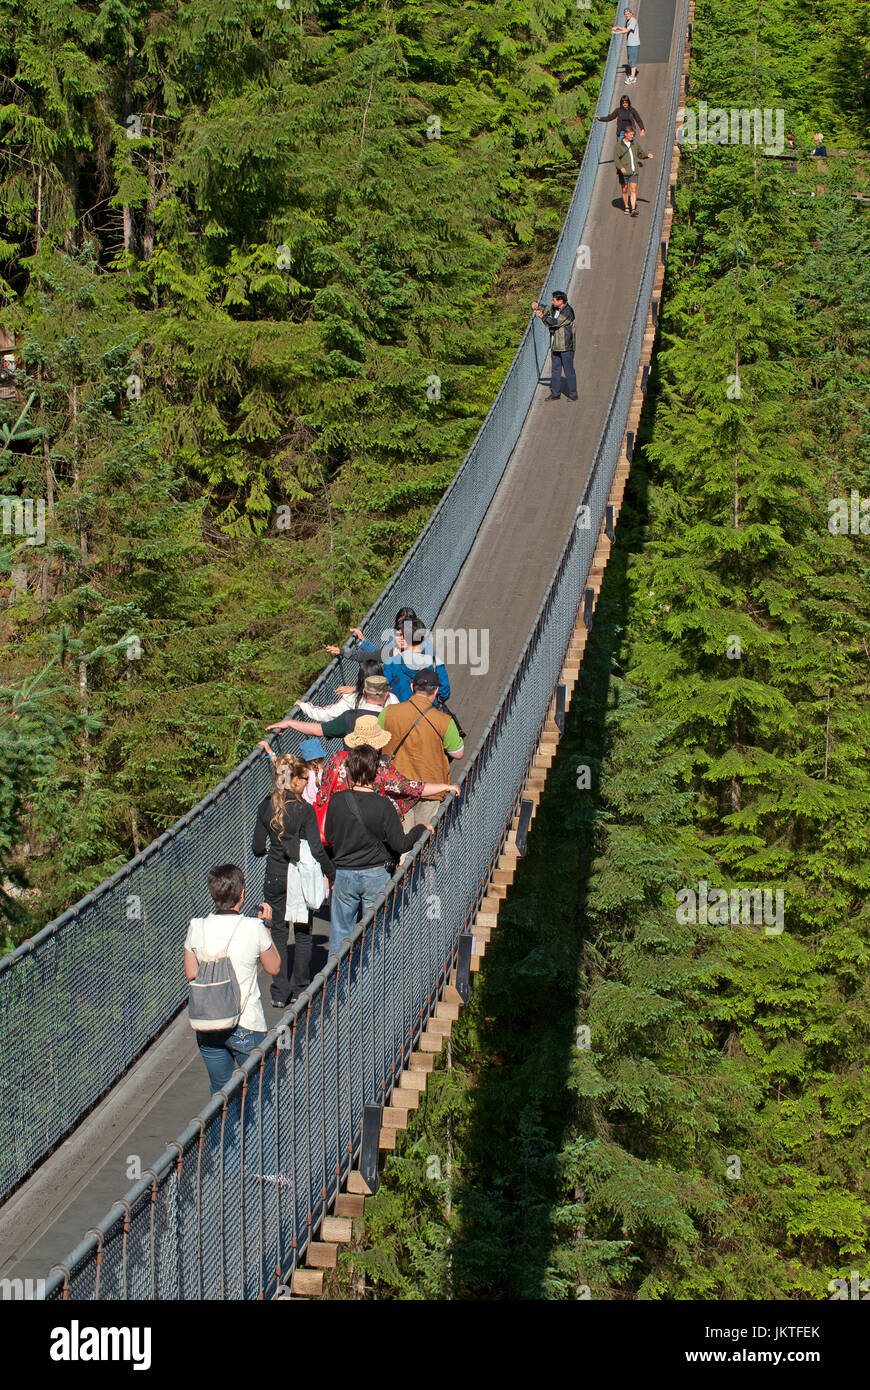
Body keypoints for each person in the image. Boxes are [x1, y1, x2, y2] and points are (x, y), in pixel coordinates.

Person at [324, 744, 432, 955]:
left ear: (351, 769)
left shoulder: (337, 801)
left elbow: (329, 837)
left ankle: (334, 984)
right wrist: (420, 828)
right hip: (375, 874)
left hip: (344, 873)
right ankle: (369, 981)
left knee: (340, 932)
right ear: (375, 771)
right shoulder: (383, 805)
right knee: (376, 934)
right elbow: (401, 844)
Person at [184, 863, 281, 1094]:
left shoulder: (197, 927)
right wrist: (267, 926)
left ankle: (224, 1131)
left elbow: (191, 973)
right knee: (258, 1094)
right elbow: (274, 967)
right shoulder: (253, 927)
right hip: (245, 1023)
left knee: (221, 1095)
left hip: (209, 1024)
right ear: (242, 893)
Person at [251, 753, 335, 1007]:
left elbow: (256, 847)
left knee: (277, 933)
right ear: (295, 780)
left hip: (275, 875)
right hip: (298, 877)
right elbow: (317, 850)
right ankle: (300, 988)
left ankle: (279, 992)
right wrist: (331, 873)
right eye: (305, 778)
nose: (307, 783)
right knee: (303, 931)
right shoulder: (304, 809)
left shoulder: (266, 806)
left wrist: (273, 850)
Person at [314, 713, 459, 835]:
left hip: (338, 824)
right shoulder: (379, 768)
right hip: (368, 829)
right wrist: (445, 787)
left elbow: (323, 792)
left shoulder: (336, 759)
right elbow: (411, 787)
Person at [379, 668, 464, 830]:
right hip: (431, 788)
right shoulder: (444, 721)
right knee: (425, 839)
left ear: (412, 687)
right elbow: (458, 753)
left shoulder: (388, 712)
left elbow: (376, 741)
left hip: (397, 787)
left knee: (402, 841)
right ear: (436, 690)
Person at [268, 673, 396, 747]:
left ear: (363, 692)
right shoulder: (395, 716)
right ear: (386, 695)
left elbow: (318, 730)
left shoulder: (349, 717)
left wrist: (290, 723)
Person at [531, 291, 577, 402]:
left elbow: (555, 322)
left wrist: (542, 317)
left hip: (566, 346)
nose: (552, 301)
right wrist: (538, 306)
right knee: (555, 370)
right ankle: (555, 393)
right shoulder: (556, 308)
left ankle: (573, 394)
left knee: (568, 370)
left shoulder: (568, 311)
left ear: (561, 301)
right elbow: (547, 308)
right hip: (555, 345)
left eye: (554, 300)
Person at [614, 125, 653, 217]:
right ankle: (627, 206)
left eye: (633, 135)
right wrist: (621, 167)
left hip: (634, 171)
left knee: (633, 189)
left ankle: (633, 209)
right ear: (626, 134)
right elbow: (616, 159)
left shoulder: (635, 143)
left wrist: (647, 155)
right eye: (631, 135)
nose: (632, 136)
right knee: (624, 189)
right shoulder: (618, 146)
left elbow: (640, 154)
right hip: (624, 172)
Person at [613, 8, 640, 84]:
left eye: (628, 14)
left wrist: (616, 32)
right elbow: (625, 28)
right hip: (630, 43)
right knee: (630, 60)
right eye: (626, 14)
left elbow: (626, 30)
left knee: (632, 61)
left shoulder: (633, 21)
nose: (627, 15)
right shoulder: (629, 21)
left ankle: (632, 77)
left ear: (631, 13)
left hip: (634, 44)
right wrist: (617, 28)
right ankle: (632, 76)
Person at [299, 736, 326, 805]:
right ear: (323, 758)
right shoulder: (328, 774)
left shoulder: (303, 775)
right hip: (324, 811)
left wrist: (271, 753)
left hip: (308, 810)